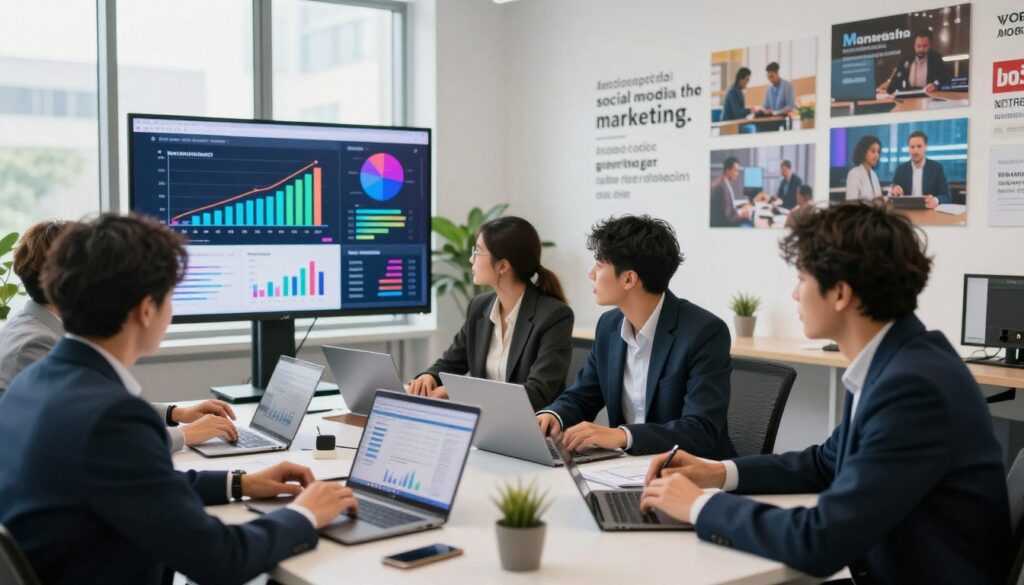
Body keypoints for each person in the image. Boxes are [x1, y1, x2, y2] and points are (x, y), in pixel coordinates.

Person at [639, 201, 1010, 583]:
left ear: (840, 294)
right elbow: (824, 464)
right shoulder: (894, 359)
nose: (795, 294)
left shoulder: (913, 386)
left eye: (802, 278)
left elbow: (820, 540)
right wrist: (717, 473)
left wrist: (700, 506)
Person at [0, 214, 359, 584]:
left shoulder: (34, 382)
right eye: (170, 295)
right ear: (145, 309)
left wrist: (239, 483)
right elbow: (221, 559)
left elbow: (137, 485)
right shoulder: (112, 417)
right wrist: (305, 514)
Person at [0, 219, 236, 451]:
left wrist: (176, 414)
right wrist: (184, 434)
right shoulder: (35, 344)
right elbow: (92, 437)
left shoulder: (43, 328)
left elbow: (95, 409)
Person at [536, 215, 736, 459]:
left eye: (599, 265)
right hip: (625, 470)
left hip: (690, 474)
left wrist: (623, 436)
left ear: (629, 279)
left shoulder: (703, 332)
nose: (590, 273)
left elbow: (700, 430)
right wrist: (552, 415)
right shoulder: (609, 326)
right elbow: (583, 395)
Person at [408, 216, 573, 410]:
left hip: (531, 427)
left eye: (477, 252)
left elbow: (537, 393)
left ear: (503, 266)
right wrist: (430, 376)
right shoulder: (479, 307)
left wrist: (460, 394)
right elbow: (451, 363)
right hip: (484, 424)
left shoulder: (554, 316)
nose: (471, 259)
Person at [888, 130, 950, 208]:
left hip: (929, 211)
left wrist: (936, 200)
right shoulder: (901, 169)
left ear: (926, 147)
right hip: (907, 211)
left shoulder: (936, 168)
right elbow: (892, 192)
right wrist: (894, 191)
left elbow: (946, 196)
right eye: (912, 147)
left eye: (919, 146)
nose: (915, 150)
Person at [884, 29, 949, 95]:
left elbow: (945, 79)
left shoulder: (936, 58)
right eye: (918, 46)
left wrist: (935, 85)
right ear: (914, 45)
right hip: (909, 98)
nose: (921, 49)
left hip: (929, 96)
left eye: (924, 46)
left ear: (930, 45)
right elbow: (892, 86)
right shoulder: (905, 60)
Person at [710, 157, 754, 228]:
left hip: (730, 219)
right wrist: (741, 214)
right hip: (727, 226)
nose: (737, 174)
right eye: (735, 171)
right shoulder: (721, 188)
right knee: (752, 225)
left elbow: (729, 206)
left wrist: (742, 206)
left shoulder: (724, 183)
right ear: (728, 171)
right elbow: (727, 219)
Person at [844, 135, 882, 201]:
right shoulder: (854, 174)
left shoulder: (874, 175)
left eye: (878, 152)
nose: (876, 155)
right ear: (863, 152)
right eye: (873, 151)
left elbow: (878, 199)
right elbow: (851, 202)